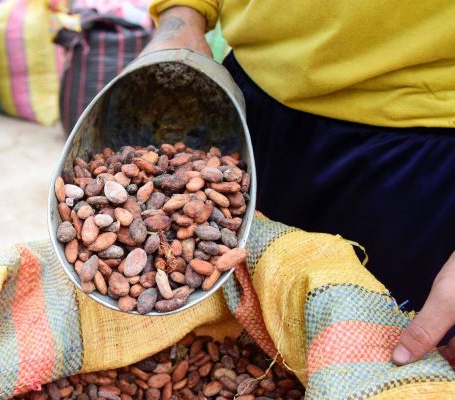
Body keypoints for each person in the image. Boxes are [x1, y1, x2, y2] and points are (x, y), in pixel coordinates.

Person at [139, 2, 455, 366]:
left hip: (416, 149)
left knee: (366, 355)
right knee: (231, 331)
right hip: (249, 102)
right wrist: (183, 15)